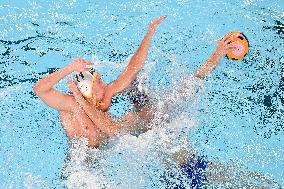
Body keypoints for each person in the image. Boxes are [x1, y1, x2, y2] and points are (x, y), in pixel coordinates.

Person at [33, 16, 167, 148]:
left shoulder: (104, 94)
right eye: (100, 82)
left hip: (113, 141)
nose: (104, 84)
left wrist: (150, 30)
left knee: (142, 115)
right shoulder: (71, 105)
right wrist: (70, 68)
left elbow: (133, 69)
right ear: (90, 91)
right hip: (86, 160)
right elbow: (39, 89)